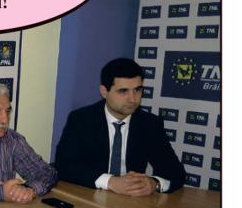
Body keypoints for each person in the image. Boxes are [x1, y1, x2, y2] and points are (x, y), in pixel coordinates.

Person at [53, 58, 186, 195]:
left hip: (132, 200)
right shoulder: (81, 120)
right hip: (91, 195)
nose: (133, 99)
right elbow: (63, 166)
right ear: (104, 91)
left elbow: (176, 173)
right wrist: (110, 181)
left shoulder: (149, 124)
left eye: (137, 90)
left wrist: (154, 183)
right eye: (123, 91)